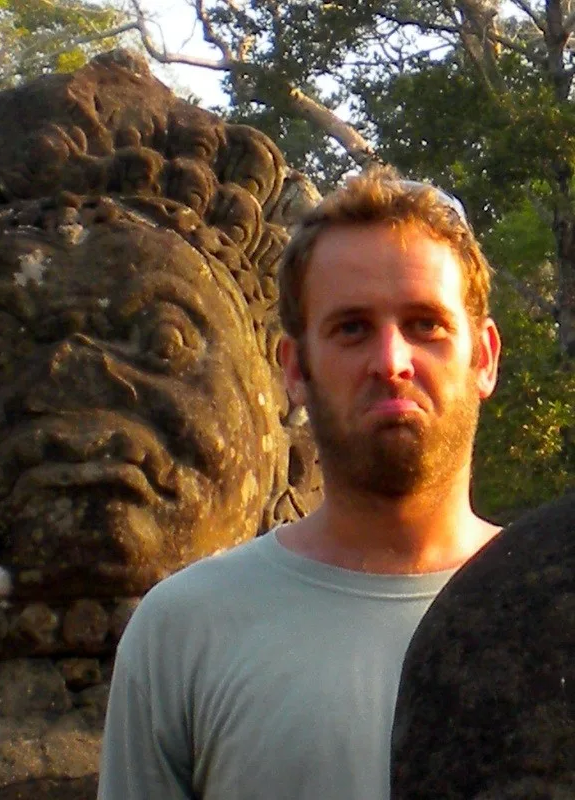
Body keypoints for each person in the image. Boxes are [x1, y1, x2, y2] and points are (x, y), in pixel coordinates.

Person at [97, 165, 502, 799]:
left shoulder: (553, 604)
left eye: (426, 324)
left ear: (483, 357)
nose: (391, 362)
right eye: (351, 328)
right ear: (294, 367)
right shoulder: (183, 630)